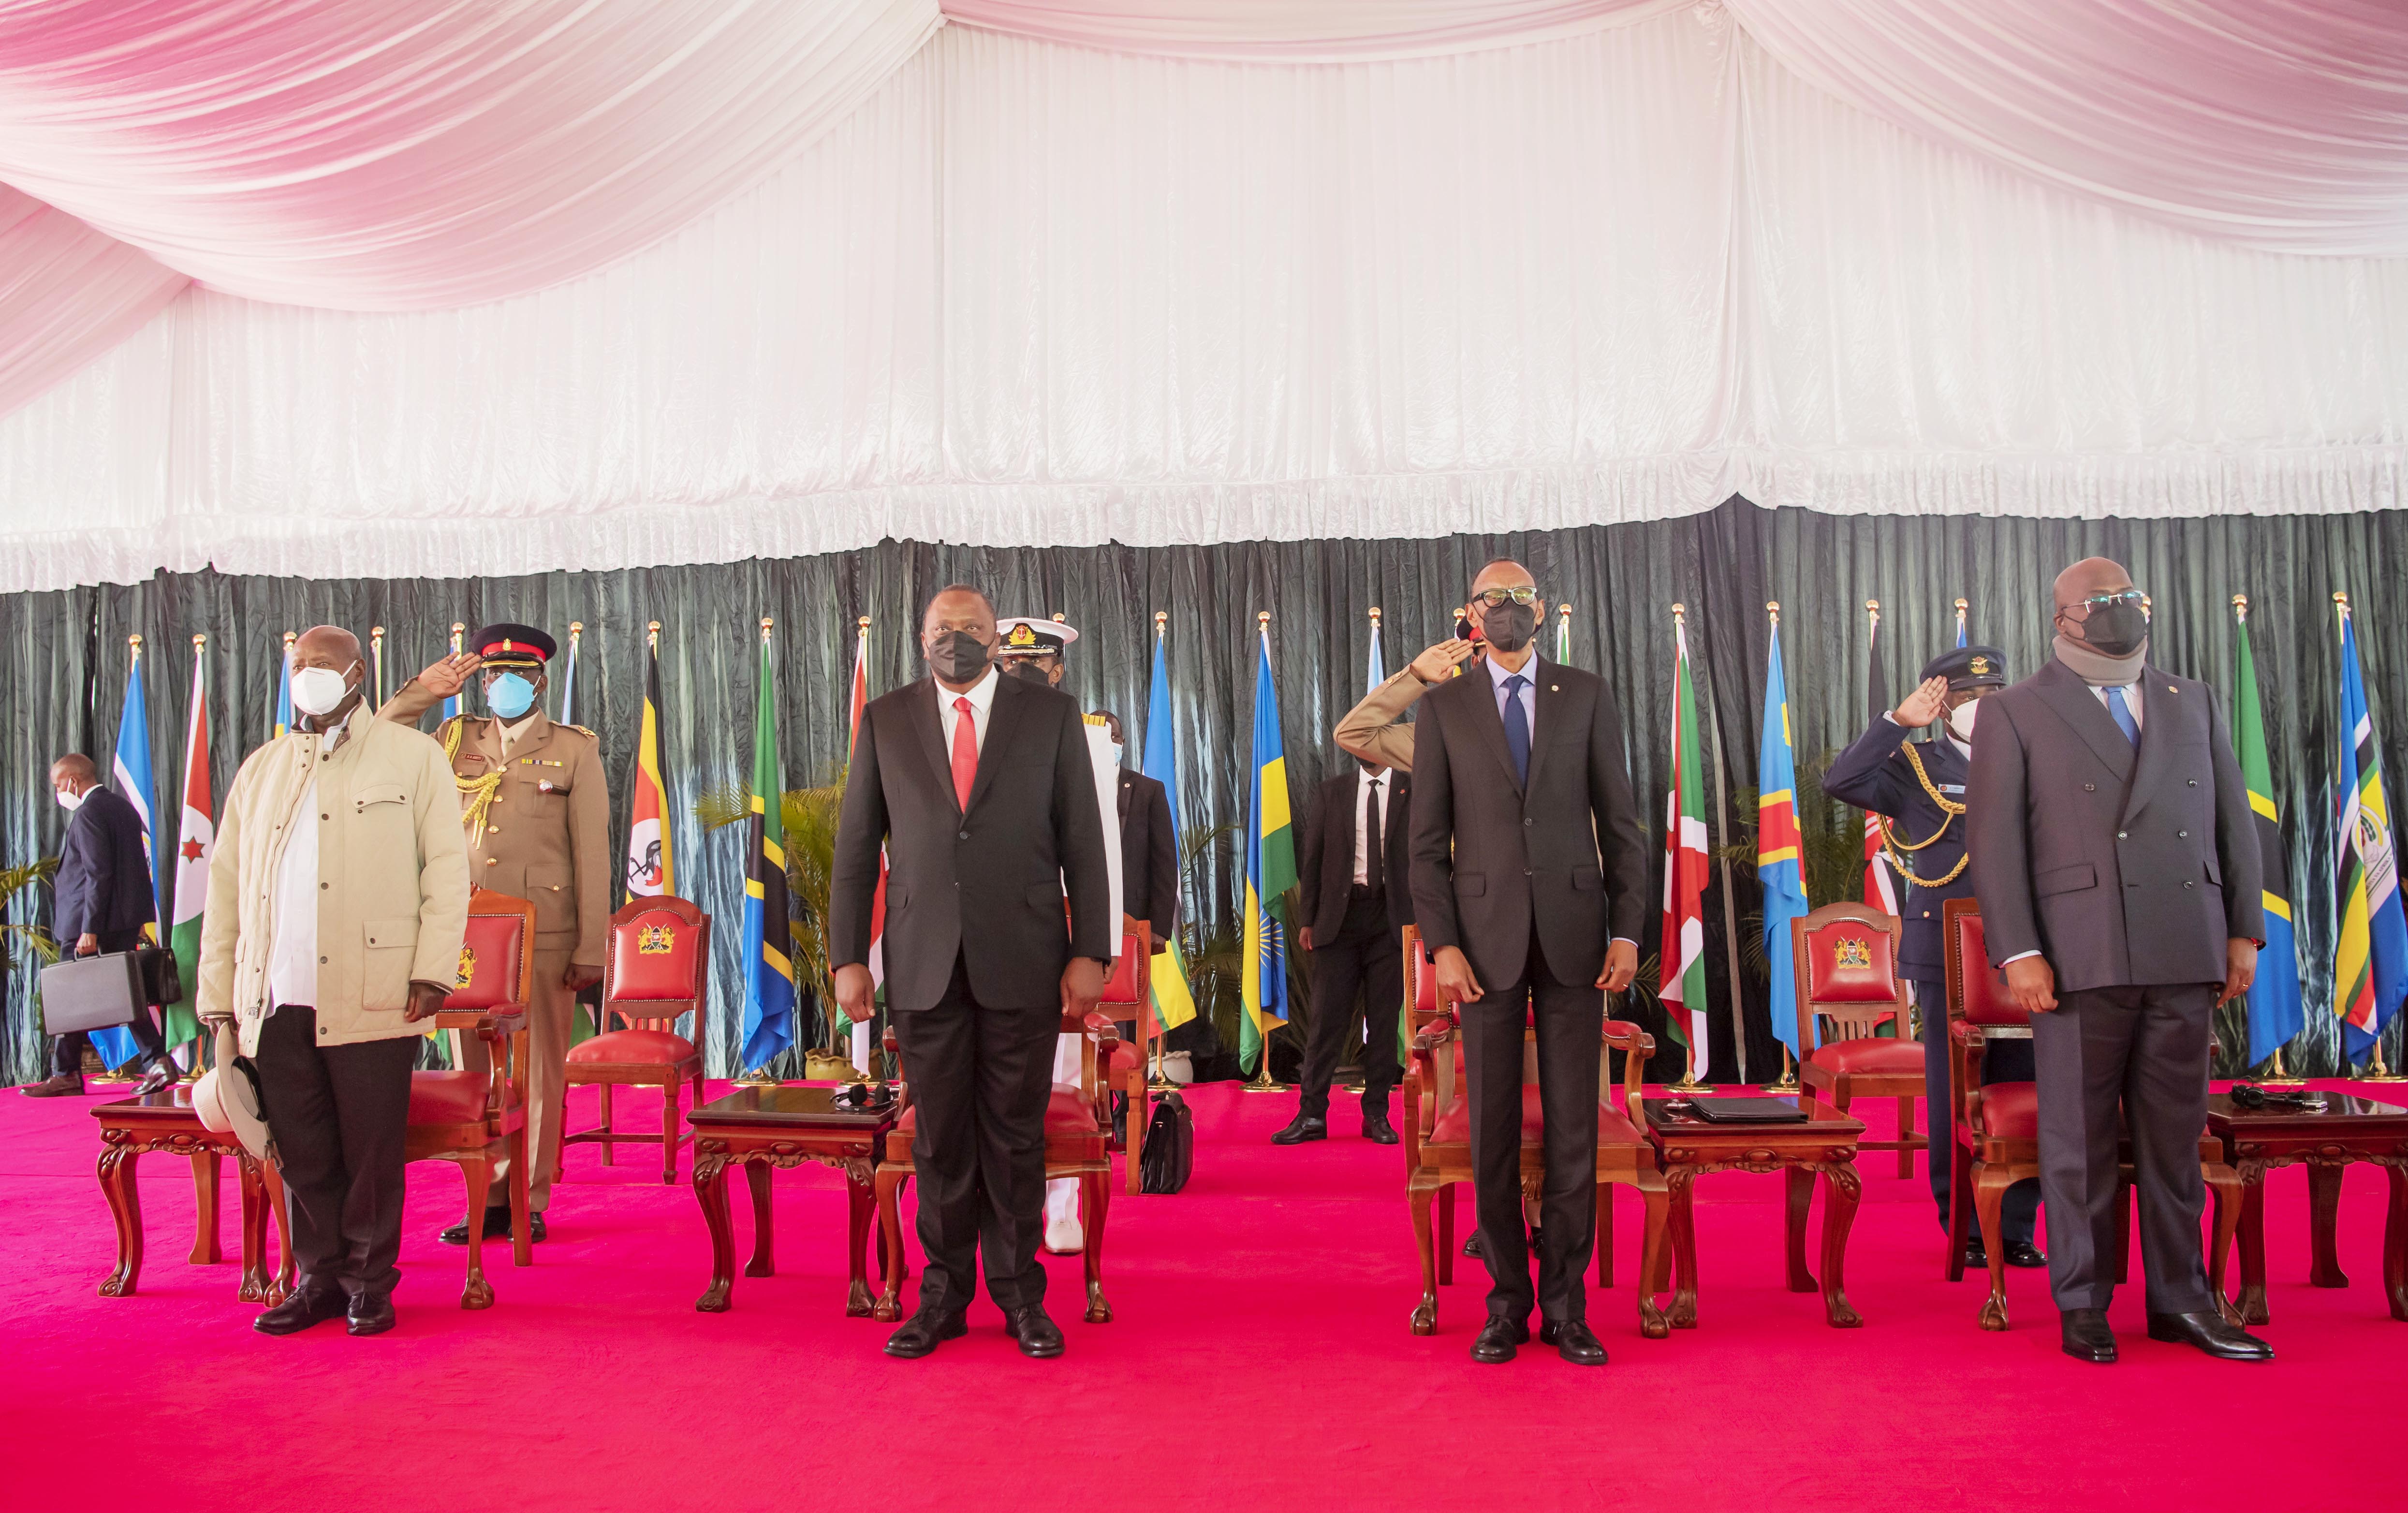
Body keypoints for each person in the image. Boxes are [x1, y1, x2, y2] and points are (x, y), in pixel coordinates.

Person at [1966, 558, 2273, 1364]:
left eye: (2130, 597)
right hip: (2078, 954)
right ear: (2062, 616)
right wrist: (2020, 950)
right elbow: (1994, 847)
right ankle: (2085, 1298)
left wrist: (2243, 928)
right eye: (2100, 601)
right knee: (2079, 1138)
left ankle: (2182, 1298)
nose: (2119, 610)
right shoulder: (2016, 709)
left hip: (2183, 942)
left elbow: (2231, 822)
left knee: (2174, 1139)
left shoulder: (2190, 697)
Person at [831, 585, 1113, 1360]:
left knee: (1014, 1136)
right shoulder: (886, 718)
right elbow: (857, 850)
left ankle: (1023, 1297)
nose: (957, 640)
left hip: (1023, 958)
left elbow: (1084, 843)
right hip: (922, 962)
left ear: (996, 637)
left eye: (972, 629)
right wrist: (849, 956)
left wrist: (1091, 950)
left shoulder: (1049, 716)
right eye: (943, 629)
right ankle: (943, 1297)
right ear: (921, 637)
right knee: (941, 1142)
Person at [197, 625, 469, 1337]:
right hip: (275, 991)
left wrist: (433, 970)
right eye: (298, 665)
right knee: (300, 1143)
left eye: (322, 664)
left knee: (371, 1147)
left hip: (375, 988)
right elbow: (225, 886)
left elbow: (447, 870)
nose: (308, 674)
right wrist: (217, 995)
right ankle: (317, 1276)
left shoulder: (411, 758)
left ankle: (369, 1282)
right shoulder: (260, 769)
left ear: (358, 674)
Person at [1408, 559, 1646, 1366]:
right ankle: (1506, 1300)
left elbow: (1622, 823)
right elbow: (1424, 845)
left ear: (1541, 610)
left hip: (1581, 938)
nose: (1506, 609)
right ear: (1471, 613)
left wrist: (1629, 931)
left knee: (1576, 1127)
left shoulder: (1585, 692)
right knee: (1494, 1135)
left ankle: (1568, 1306)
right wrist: (1441, 943)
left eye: (1520, 597)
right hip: (1480, 944)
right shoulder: (1443, 707)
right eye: (1491, 598)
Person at [381, 624, 608, 1245]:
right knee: (475, 1072)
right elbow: (373, 744)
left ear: (538, 681)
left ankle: (527, 1197)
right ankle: (486, 1193)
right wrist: (421, 694)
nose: (499, 684)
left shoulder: (573, 749)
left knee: (537, 1071)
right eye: (489, 675)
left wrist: (592, 948)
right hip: (465, 935)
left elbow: (592, 852)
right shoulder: (454, 738)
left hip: (546, 934)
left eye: (512, 675)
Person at [1824, 645, 2043, 1271]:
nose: (1980, 706)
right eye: (1966, 697)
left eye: (1989, 694)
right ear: (1943, 702)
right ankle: (1965, 1227)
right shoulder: (1916, 764)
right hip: (1945, 951)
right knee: (1957, 1094)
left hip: (2022, 949)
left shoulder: (2026, 755)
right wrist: (1898, 722)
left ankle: (2020, 1227)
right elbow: (1841, 781)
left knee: (2023, 1085)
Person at [996, 615, 1123, 1253]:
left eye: (1034, 665)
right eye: (1012, 664)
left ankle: (1062, 1206)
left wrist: (1095, 950)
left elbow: (1098, 857)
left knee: (1062, 1074)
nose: (1022, 675)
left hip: (1059, 933)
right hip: (988, 941)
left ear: (1057, 669)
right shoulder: (966, 733)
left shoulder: (1085, 738)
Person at [1273, 750, 1410, 1146]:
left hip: (1391, 920)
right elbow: (1312, 858)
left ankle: (1377, 1115)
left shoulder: (1410, 789)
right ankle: (1312, 1114)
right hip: (1340, 921)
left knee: (1384, 1025)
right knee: (1325, 1022)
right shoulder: (1332, 792)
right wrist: (1308, 920)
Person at [23, 755, 177, 1096]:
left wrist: (89, 929)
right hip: (120, 920)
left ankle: (70, 1072)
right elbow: (136, 869)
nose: (59, 792)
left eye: (59, 785)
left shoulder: (89, 813)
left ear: (74, 782)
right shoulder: (123, 808)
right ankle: (152, 1061)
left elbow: (99, 873)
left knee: (74, 995)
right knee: (122, 993)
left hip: (90, 925)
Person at [1335, 635, 1481, 772]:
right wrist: (1415, 675)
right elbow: (1352, 733)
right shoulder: (1444, 736)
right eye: (1495, 655)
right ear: (1477, 663)